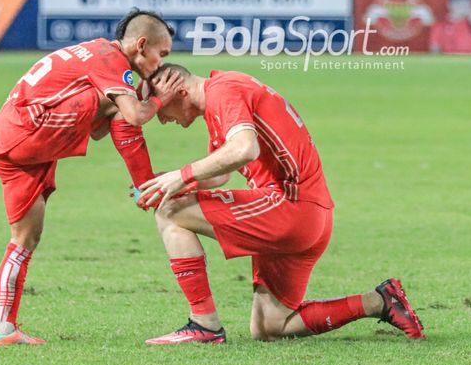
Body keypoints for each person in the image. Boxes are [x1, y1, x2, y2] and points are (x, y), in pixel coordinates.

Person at [136, 64, 425, 344]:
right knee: (270, 327)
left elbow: (245, 149)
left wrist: (181, 177)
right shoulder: (223, 94)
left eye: (161, 109)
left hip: (289, 206)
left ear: (182, 93)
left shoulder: (223, 91)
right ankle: (378, 301)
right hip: (313, 213)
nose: (161, 120)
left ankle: (203, 324)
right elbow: (221, 172)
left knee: (170, 213)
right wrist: (170, 182)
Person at [0, 9, 184, 346]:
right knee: (126, 107)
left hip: (14, 139)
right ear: (141, 44)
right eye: (161, 55)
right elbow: (133, 116)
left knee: (25, 238)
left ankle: (3, 329)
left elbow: (98, 132)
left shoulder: (97, 52)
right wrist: (159, 96)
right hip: (29, 131)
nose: (161, 64)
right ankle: (144, 186)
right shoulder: (110, 58)